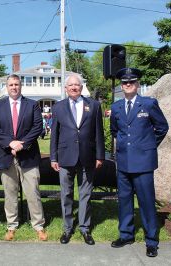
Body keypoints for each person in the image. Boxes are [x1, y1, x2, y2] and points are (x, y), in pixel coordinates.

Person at [110, 68, 169, 257]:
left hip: (143, 162)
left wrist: (147, 146)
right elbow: (114, 131)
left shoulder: (149, 104)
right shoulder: (117, 106)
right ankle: (126, 234)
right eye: (125, 82)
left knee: (146, 202)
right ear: (121, 85)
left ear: (137, 84)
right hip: (124, 162)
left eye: (132, 82)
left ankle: (151, 240)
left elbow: (162, 127)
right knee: (124, 202)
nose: (128, 85)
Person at [0, 74, 47, 241]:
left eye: (16, 84)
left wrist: (22, 144)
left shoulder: (32, 105)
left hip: (28, 156)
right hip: (6, 156)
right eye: (11, 85)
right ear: (6, 87)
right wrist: (10, 143)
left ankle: (38, 226)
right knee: (10, 193)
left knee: (33, 193)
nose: (14, 87)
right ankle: (11, 225)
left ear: (21, 86)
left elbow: (37, 127)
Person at [50, 74, 105, 245]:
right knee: (66, 194)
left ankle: (85, 229)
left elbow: (99, 133)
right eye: (70, 85)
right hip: (65, 156)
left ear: (81, 87)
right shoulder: (58, 107)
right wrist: (53, 157)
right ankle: (67, 229)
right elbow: (55, 134)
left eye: (77, 85)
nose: (74, 87)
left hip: (87, 156)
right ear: (66, 88)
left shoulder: (94, 106)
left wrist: (100, 155)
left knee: (85, 194)